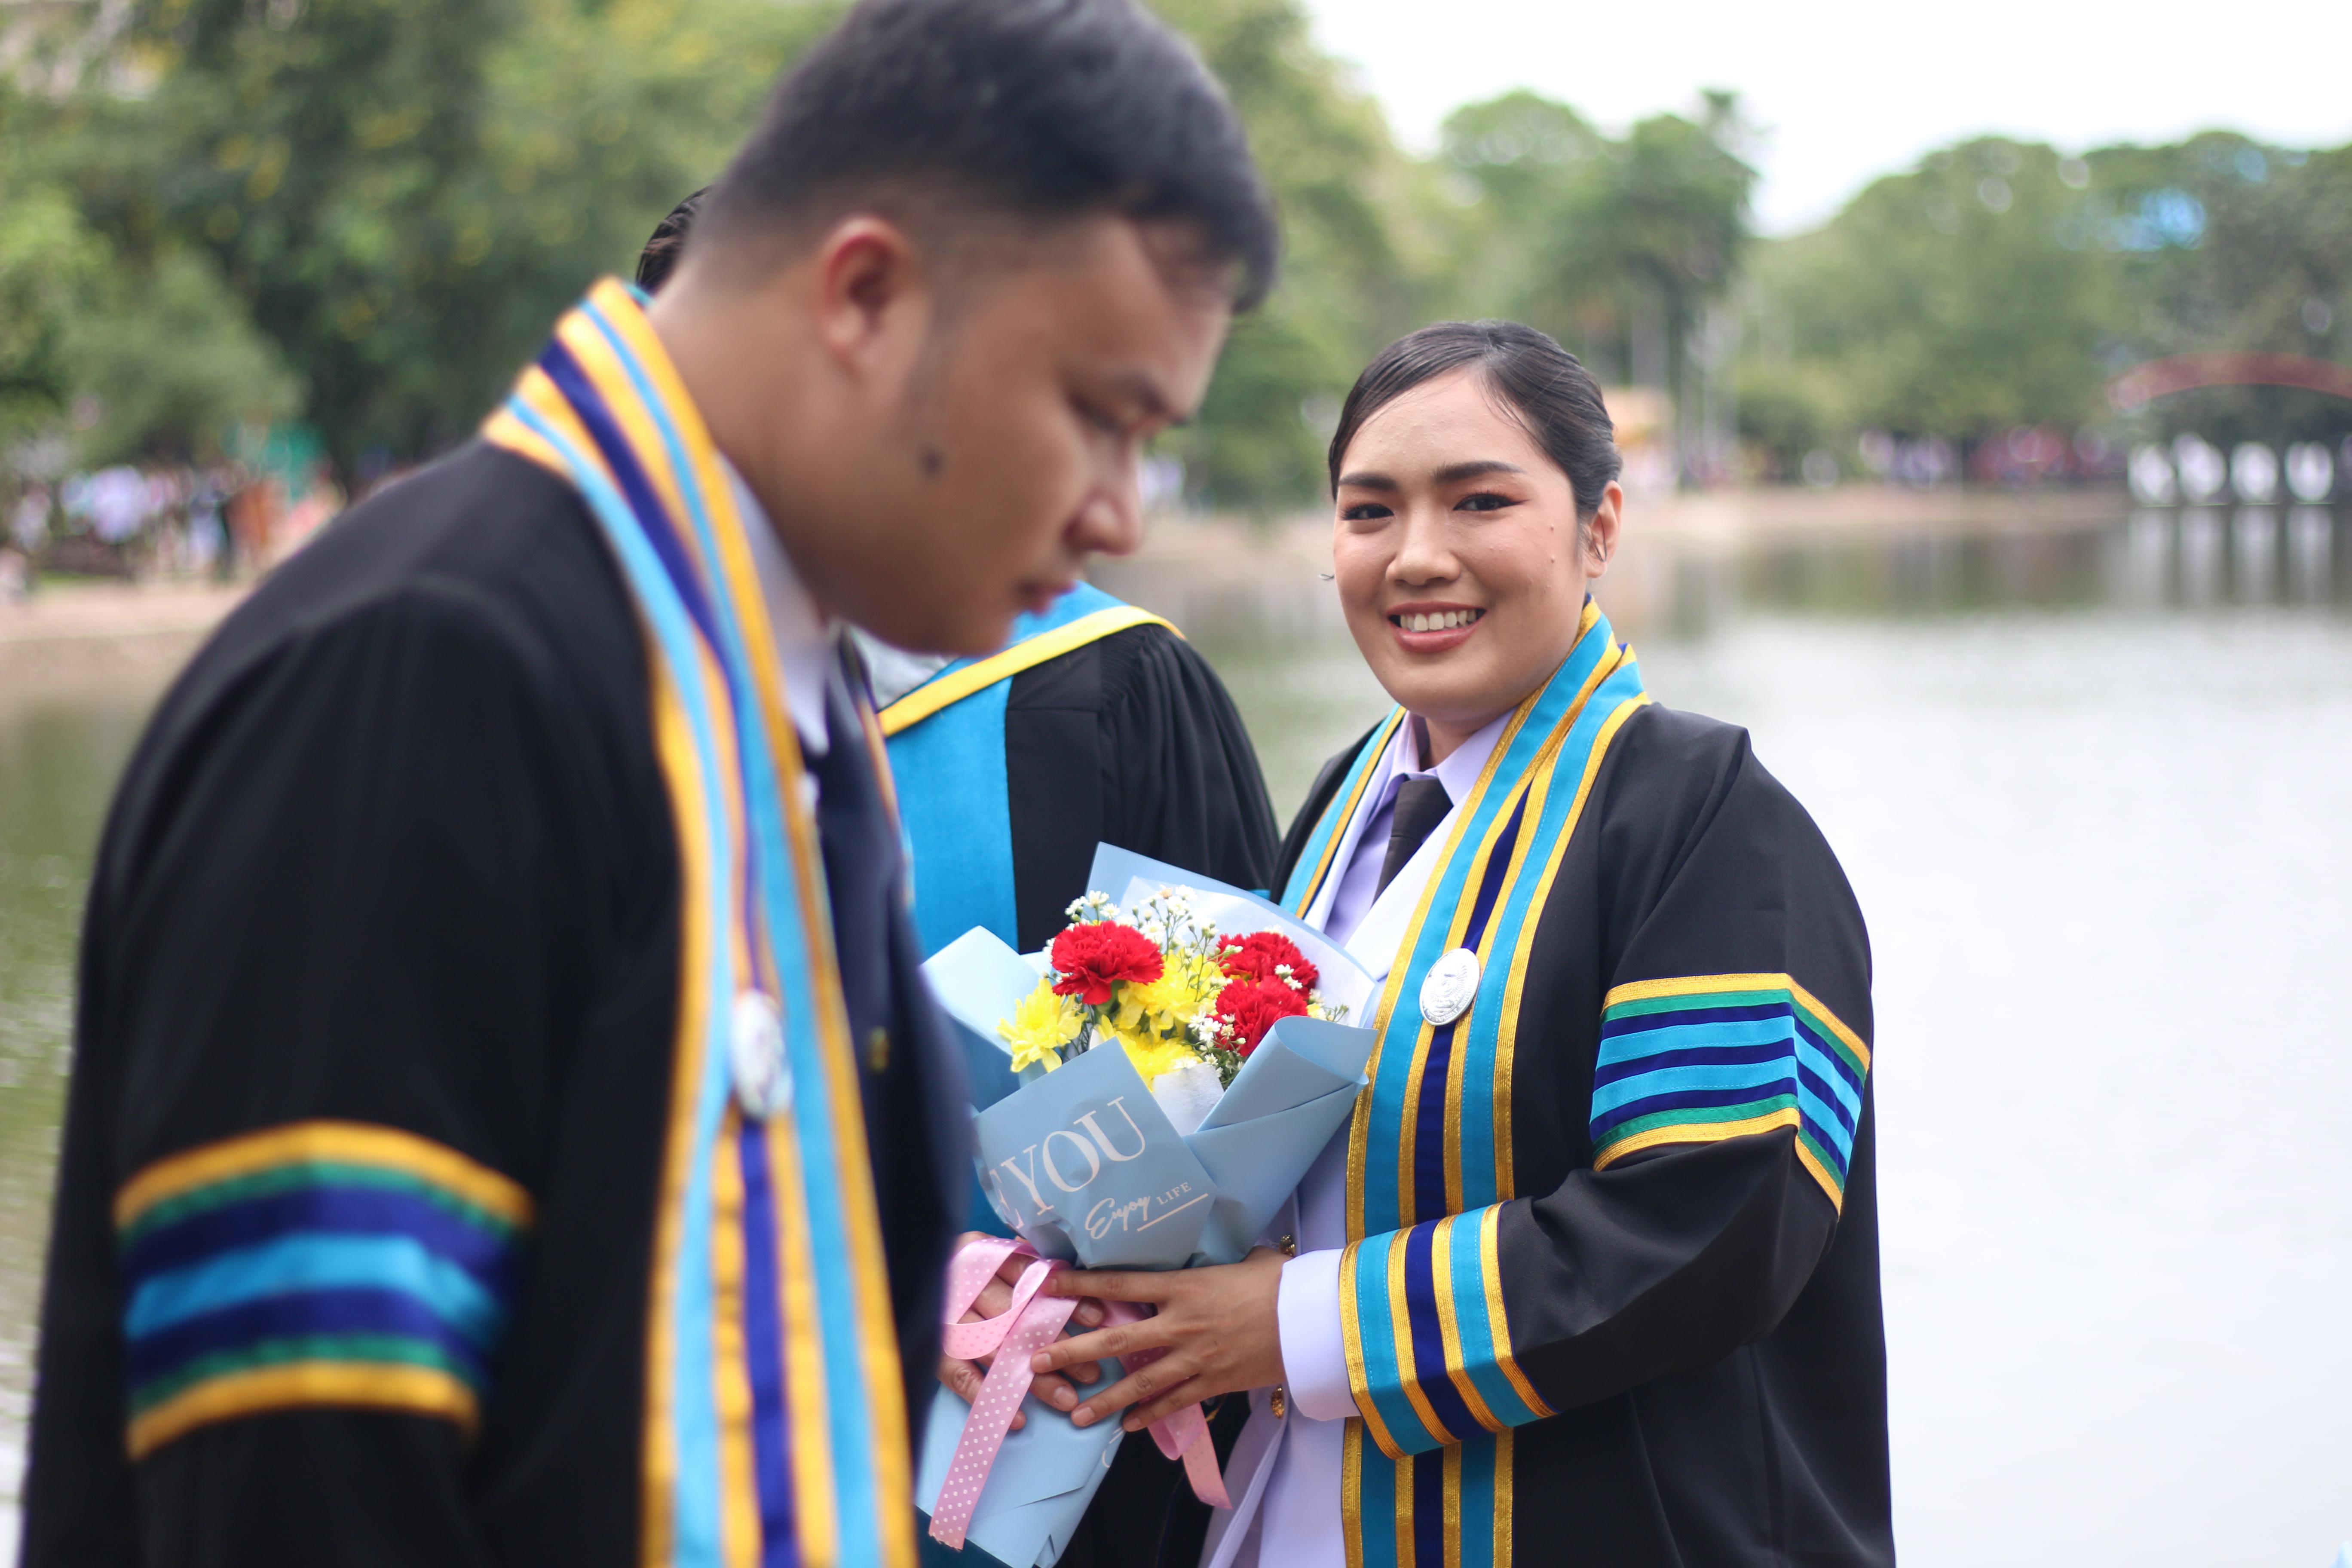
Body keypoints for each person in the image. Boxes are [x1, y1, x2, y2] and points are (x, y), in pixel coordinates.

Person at [18, 2, 1277, 1565]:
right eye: (1101, 414)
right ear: (869, 294)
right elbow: (307, 1485)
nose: (1120, 512)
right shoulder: (437, 675)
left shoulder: (756, 704)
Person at [1026, 322, 1892, 1568]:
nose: (1417, 557)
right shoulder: (1337, 813)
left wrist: (1295, 1327)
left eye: (1480, 501)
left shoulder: (1701, 817)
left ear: (1600, 526)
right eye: (1368, 513)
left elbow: (1715, 1225)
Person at [633, 185, 1281, 1568]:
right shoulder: (614, 707)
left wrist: (1061, 1304)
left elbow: (1246, 1089)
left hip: (1047, 1430)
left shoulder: (1108, 684)